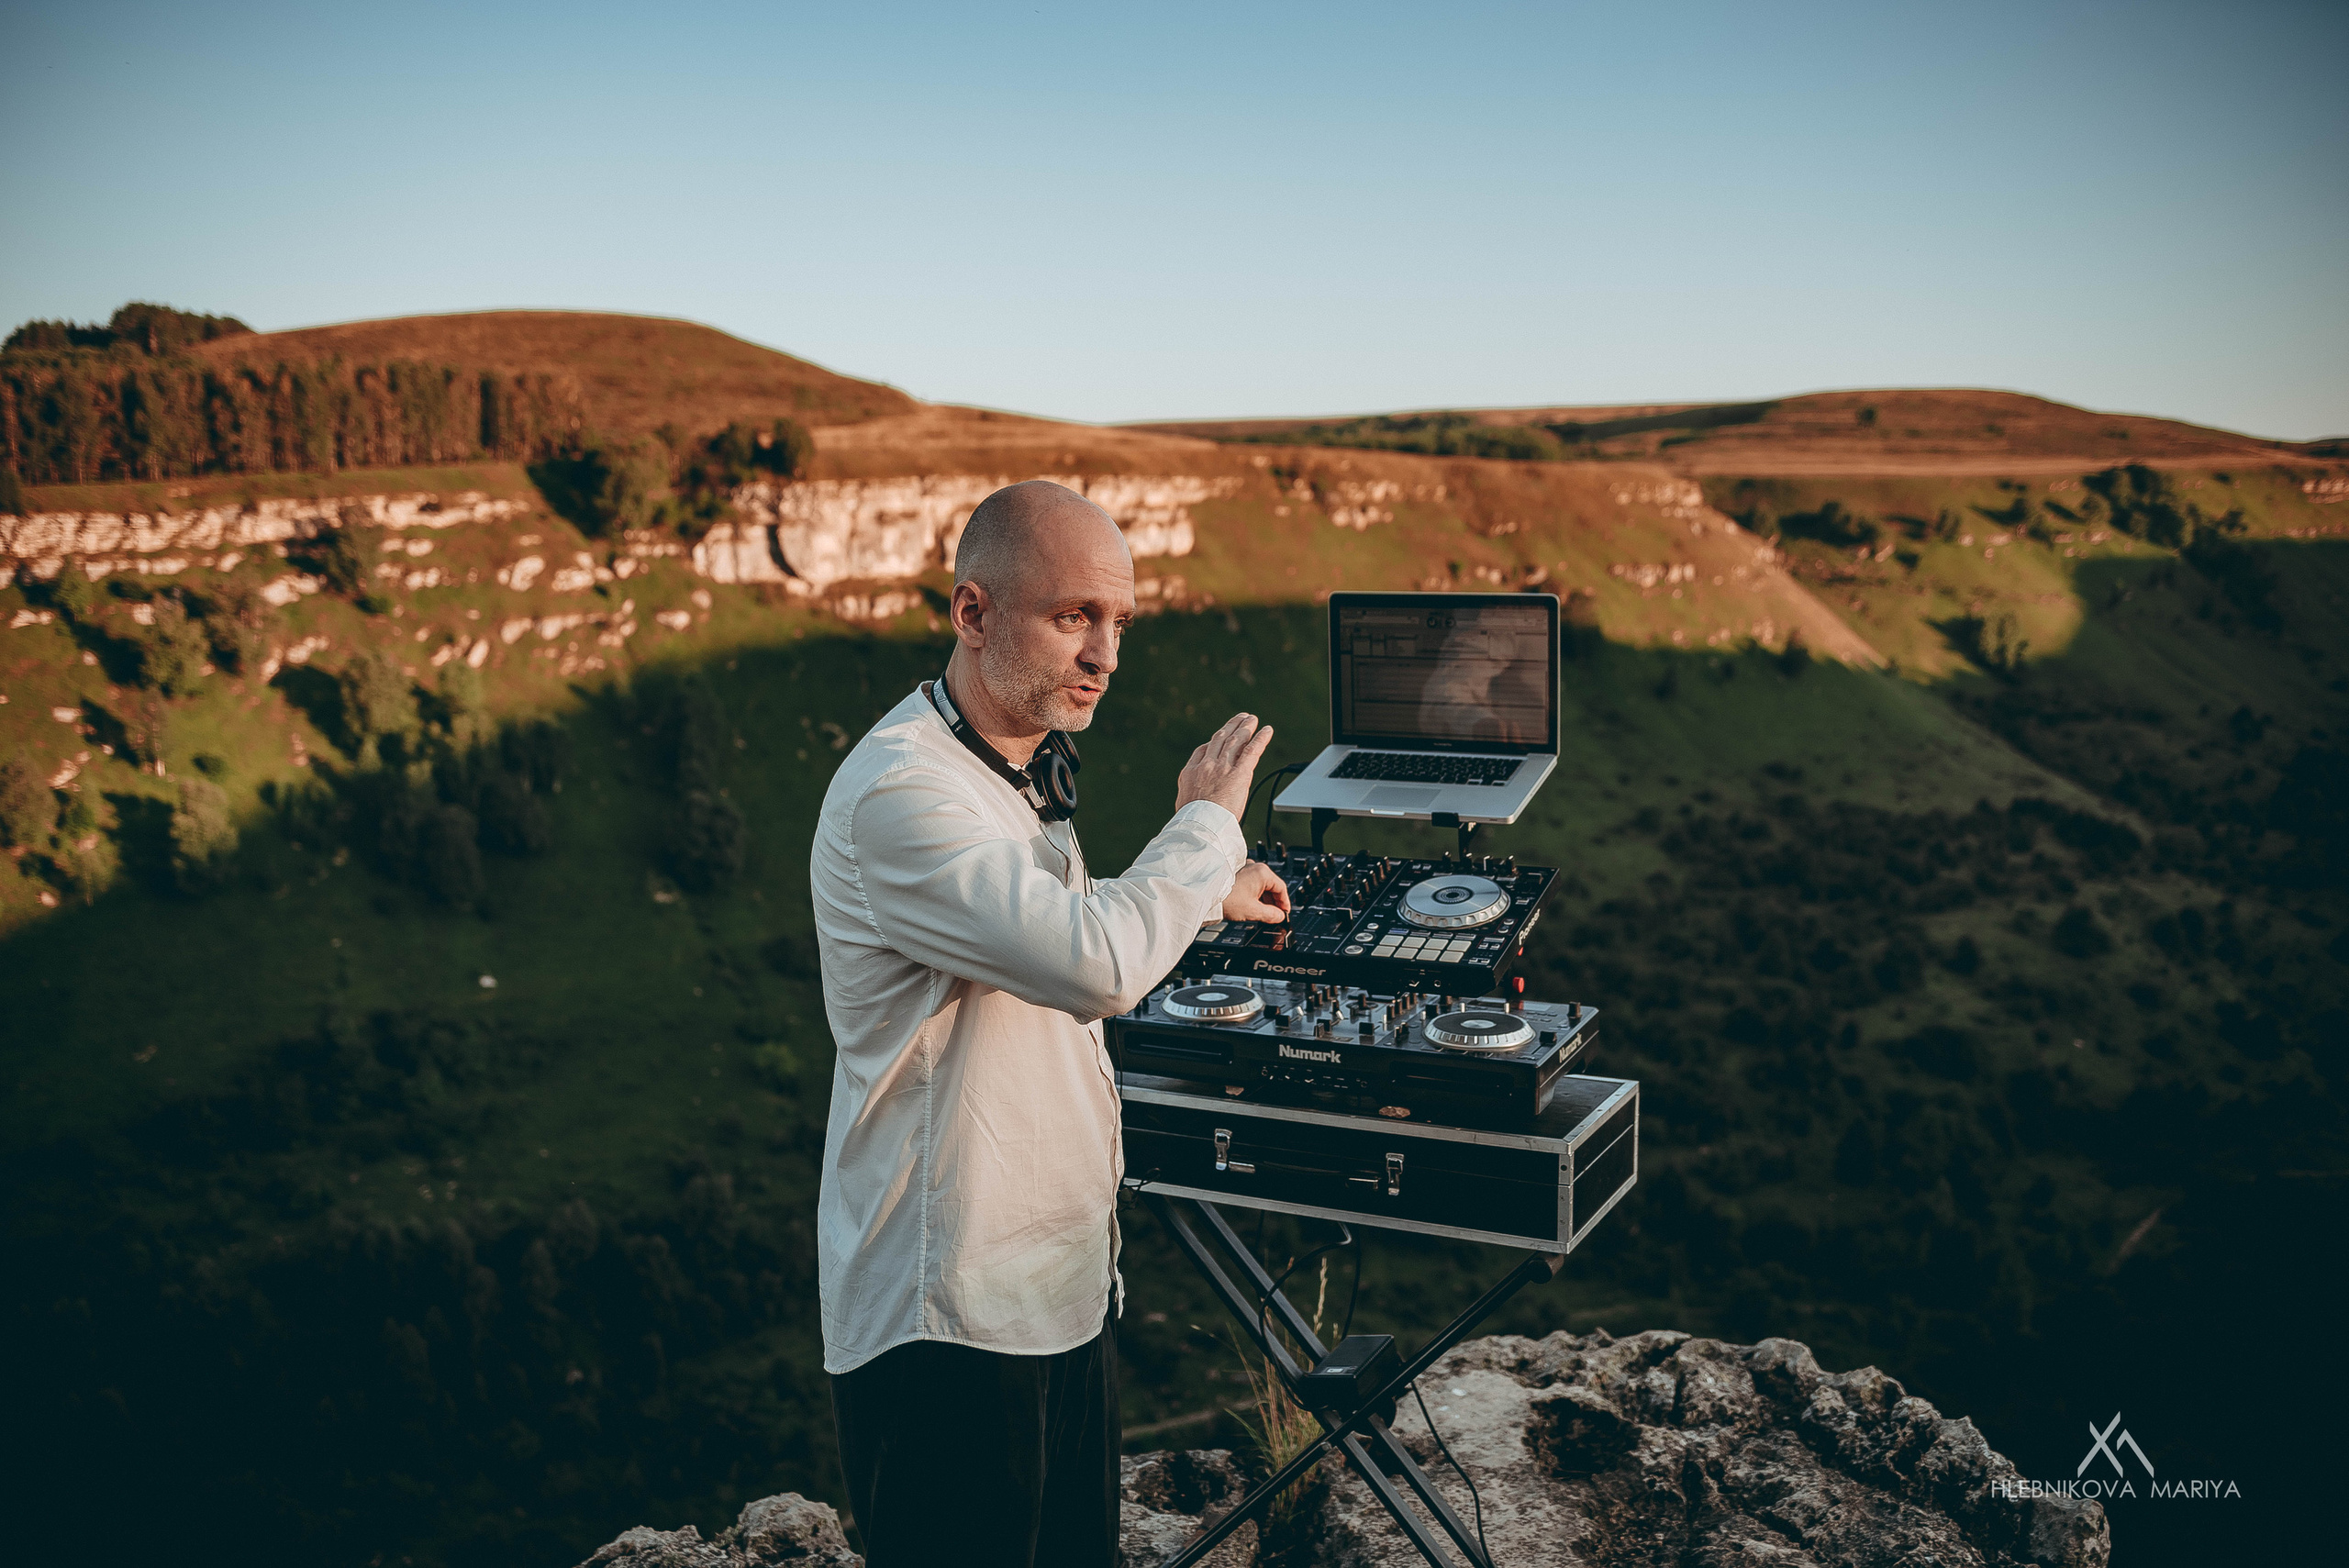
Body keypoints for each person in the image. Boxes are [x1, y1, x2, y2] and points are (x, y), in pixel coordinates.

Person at [810, 480, 1292, 1566]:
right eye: (1073, 615)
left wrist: (1204, 891)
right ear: (971, 613)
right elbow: (1096, 960)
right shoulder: (903, 792)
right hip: (950, 1319)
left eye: (1118, 622)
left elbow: (1052, 930)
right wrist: (1206, 827)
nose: (1106, 654)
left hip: (1059, 1292)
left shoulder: (1012, 766)